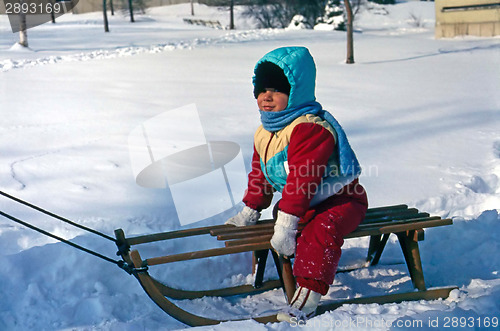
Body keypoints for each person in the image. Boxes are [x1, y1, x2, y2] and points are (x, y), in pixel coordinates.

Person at [225, 46, 368, 322]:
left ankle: (307, 296)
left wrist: (287, 225)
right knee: (286, 218)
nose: (267, 96)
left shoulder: (309, 128)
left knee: (319, 230)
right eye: (261, 89)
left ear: (295, 93)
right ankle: (291, 271)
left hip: (341, 200)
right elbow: (260, 173)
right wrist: (250, 211)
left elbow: (302, 180)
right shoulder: (266, 131)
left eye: (277, 90)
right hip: (307, 202)